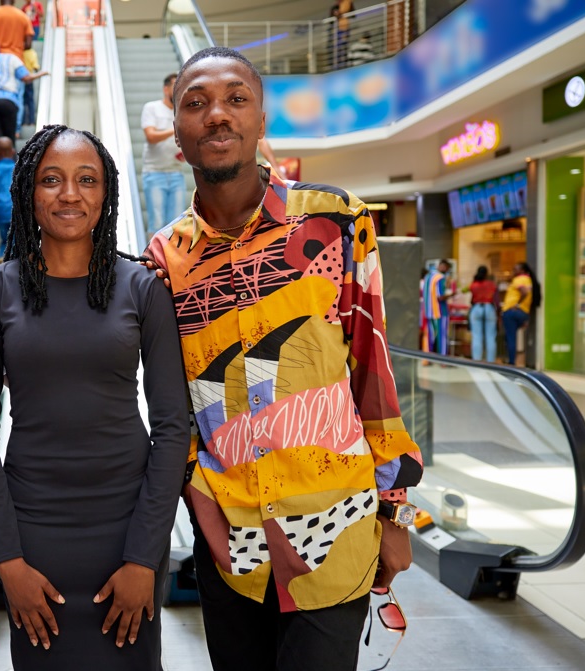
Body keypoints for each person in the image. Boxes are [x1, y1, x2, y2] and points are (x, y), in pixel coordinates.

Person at [144, 47, 423, 670]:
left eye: (236, 99)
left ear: (262, 120)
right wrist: (192, 495)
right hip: (228, 542)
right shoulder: (165, 256)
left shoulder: (334, 221)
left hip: (337, 528)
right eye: (196, 103)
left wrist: (396, 512)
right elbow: (174, 403)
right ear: (176, 133)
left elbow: (373, 373)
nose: (217, 114)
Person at [0, 125, 188, 670]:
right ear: (28, 192)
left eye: (87, 179)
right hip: (33, 528)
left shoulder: (143, 288)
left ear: (106, 193)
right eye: (51, 180)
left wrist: (145, 557)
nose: (70, 194)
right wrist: (7, 560)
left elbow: (173, 428)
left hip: (129, 523)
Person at [0, 38, 47, 156]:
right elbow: (26, 78)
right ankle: (12, 164)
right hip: (9, 101)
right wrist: (41, 73)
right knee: (10, 137)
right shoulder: (11, 58)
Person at [140, 73, 186, 232]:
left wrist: (185, 153)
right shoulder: (152, 107)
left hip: (176, 173)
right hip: (154, 173)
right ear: (166, 89)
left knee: (177, 224)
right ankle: (152, 250)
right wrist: (175, 129)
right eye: (175, 87)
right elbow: (151, 136)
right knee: (157, 224)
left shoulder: (182, 112)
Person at [501, 261, 536, 366]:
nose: (513, 271)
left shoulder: (518, 280)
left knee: (510, 337)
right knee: (514, 337)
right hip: (524, 312)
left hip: (512, 311)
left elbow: (524, 292)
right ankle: (516, 359)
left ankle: (511, 362)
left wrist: (517, 304)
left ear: (522, 270)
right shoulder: (528, 280)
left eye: (515, 269)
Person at [423, 259, 452, 356]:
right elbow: (440, 297)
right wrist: (452, 294)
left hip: (428, 311)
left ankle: (428, 358)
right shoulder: (440, 277)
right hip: (440, 311)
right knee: (442, 336)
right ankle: (443, 359)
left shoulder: (427, 276)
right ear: (445, 267)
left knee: (429, 336)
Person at [468, 265, 497, 362]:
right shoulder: (491, 284)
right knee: (491, 337)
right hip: (489, 308)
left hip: (476, 308)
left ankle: (477, 361)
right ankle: (490, 362)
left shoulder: (474, 285)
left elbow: (472, 300)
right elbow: (496, 299)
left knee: (476, 336)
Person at [21, 43, 40, 127]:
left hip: (21, 79)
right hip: (29, 79)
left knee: (22, 101)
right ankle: (32, 121)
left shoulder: (20, 52)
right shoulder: (32, 53)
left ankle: (23, 121)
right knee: (30, 101)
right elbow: (36, 67)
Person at [331, 0, 354, 69]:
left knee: (344, 46)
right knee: (337, 47)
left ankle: (344, 64)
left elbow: (352, 14)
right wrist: (336, 14)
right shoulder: (335, 6)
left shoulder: (347, 3)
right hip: (338, 29)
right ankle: (337, 65)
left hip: (344, 29)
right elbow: (332, 17)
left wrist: (341, 13)